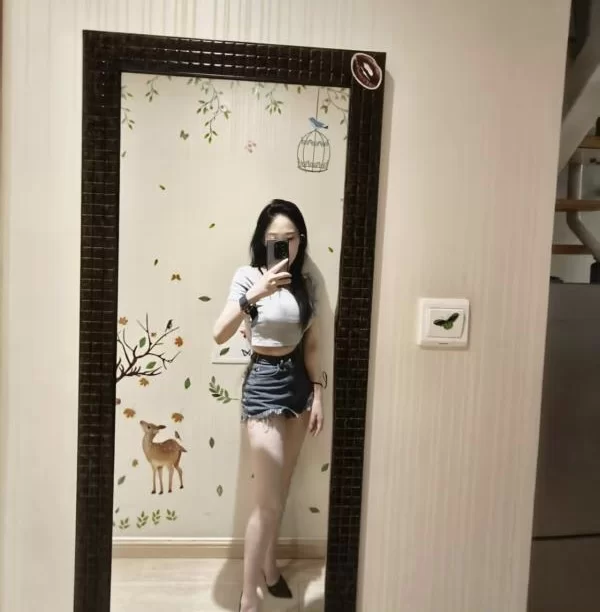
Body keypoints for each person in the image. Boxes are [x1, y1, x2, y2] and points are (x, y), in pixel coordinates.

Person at [213, 199, 324, 612]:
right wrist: (255, 294)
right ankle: (249, 595)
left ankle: (270, 567)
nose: (283, 246)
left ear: (300, 240)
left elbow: (312, 344)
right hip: (263, 382)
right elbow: (219, 333)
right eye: (274, 238)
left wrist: (318, 394)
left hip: (299, 384)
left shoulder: (305, 284)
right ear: (263, 240)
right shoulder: (247, 277)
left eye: (290, 238)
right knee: (268, 500)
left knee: (283, 486)